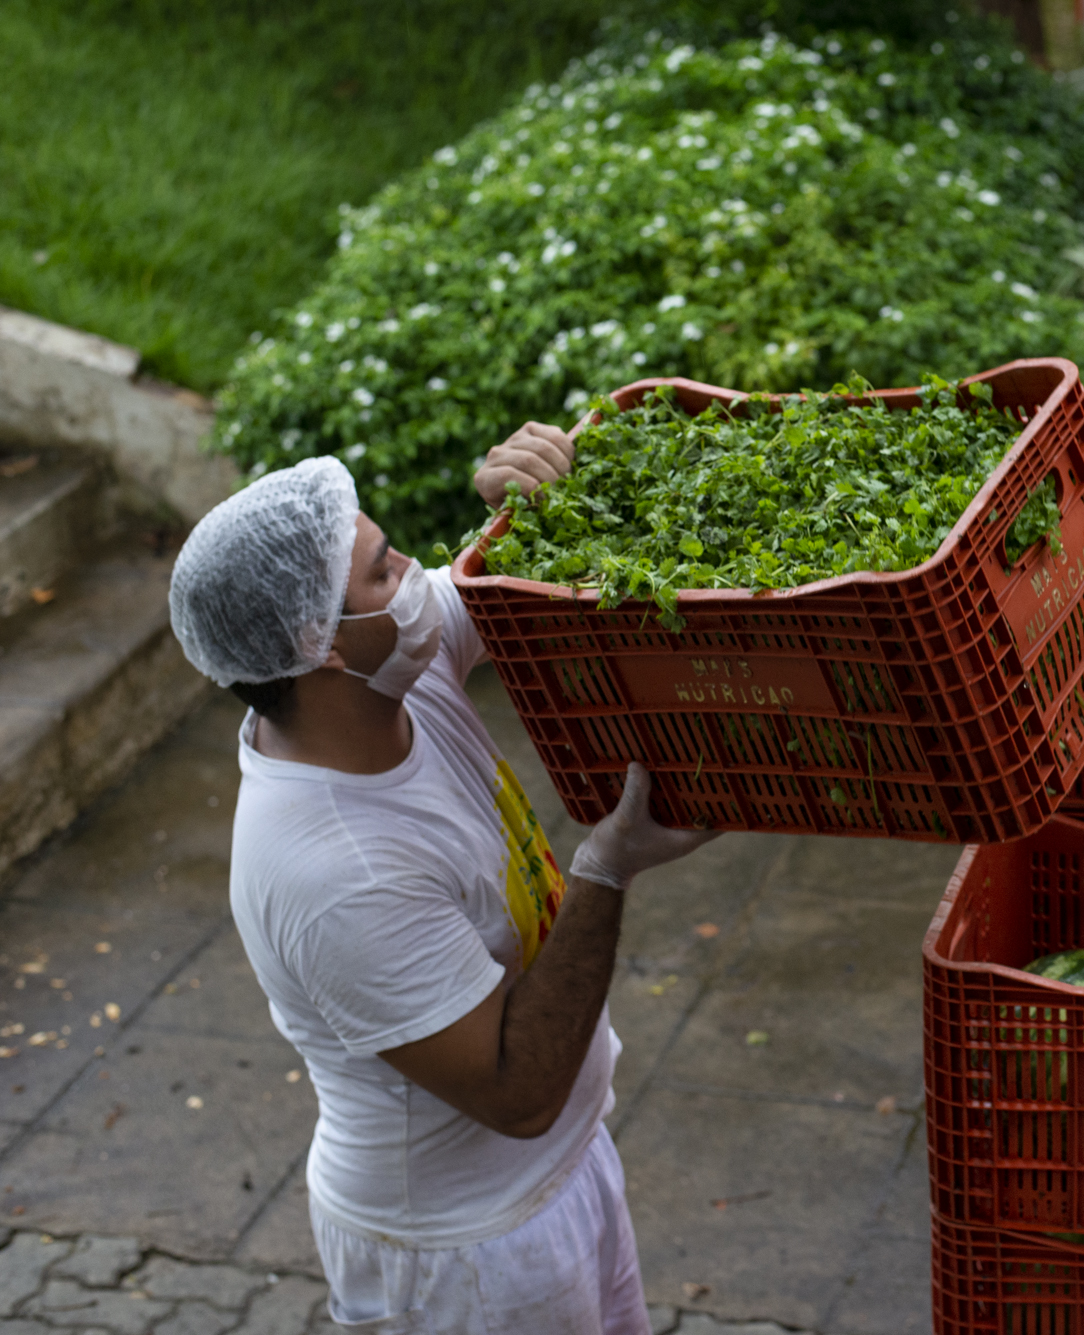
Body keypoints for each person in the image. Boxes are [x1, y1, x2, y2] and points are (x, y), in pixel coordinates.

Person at [167, 423, 701, 1334]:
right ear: (321, 644)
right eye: (383, 569)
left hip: (556, 1183)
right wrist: (605, 869)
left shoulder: (386, 673)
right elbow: (517, 1091)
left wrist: (531, 510)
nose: (418, 569)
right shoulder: (339, 872)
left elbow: (504, 596)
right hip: (467, 1262)